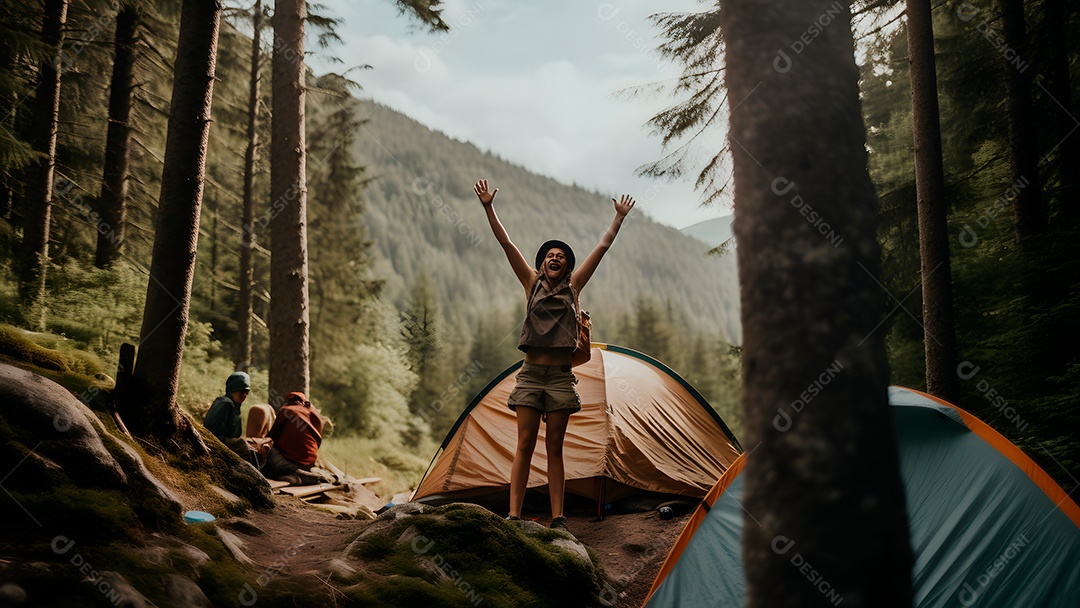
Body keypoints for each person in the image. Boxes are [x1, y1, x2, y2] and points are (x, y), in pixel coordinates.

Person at [474, 178, 635, 532]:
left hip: (561, 377)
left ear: (566, 265)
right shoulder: (530, 284)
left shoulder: (574, 288)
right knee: (525, 444)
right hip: (531, 375)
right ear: (542, 262)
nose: (555, 259)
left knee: (556, 448)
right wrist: (488, 207)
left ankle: (558, 518)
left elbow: (602, 247)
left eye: (561, 257)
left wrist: (618, 218)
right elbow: (506, 243)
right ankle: (514, 516)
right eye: (550, 256)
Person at [263, 391, 326, 484]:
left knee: (268, 449)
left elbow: (273, 434)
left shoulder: (286, 410)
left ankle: (293, 473)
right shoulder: (312, 412)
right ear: (303, 402)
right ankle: (296, 475)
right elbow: (318, 439)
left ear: (289, 401)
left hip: (293, 460)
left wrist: (262, 439)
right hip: (310, 460)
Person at [204, 371, 251, 442]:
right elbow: (211, 431)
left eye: (246, 392)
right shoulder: (225, 403)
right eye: (241, 391)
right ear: (233, 390)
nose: (244, 395)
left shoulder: (235, 407)